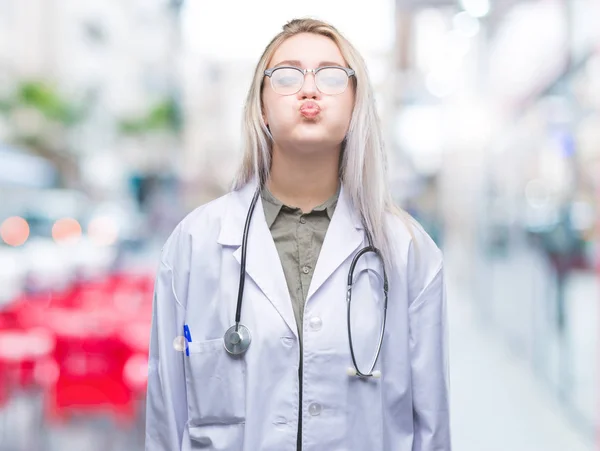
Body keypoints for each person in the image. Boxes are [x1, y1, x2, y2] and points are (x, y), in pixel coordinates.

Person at [145, 18, 451, 451]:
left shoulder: (408, 250)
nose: (309, 90)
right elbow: (165, 416)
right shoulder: (195, 243)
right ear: (262, 107)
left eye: (330, 76)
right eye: (286, 76)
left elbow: (432, 426)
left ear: (356, 103)